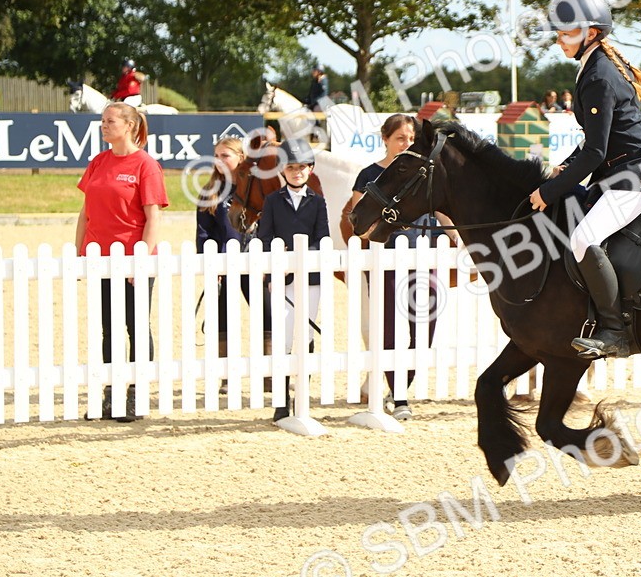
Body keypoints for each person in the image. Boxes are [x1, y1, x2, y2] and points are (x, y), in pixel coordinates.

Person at [529, 0, 641, 359]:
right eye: (557, 33)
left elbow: (597, 152)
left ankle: (614, 330)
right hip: (626, 165)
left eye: (566, 33)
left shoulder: (600, 74)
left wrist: (550, 191)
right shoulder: (595, 64)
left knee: (584, 240)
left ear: (590, 32)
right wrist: (567, 166)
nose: (559, 40)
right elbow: (595, 141)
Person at [345, 114, 456, 420]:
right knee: (391, 331)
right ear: (385, 139)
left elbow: (441, 209)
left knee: (425, 329)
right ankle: (400, 398)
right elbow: (359, 222)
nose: (406, 143)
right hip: (387, 261)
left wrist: (454, 234)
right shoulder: (369, 174)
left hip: (425, 257)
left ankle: (398, 390)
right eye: (400, 138)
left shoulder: (422, 171)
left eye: (410, 138)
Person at [75, 103, 169, 421]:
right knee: (109, 330)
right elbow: (84, 212)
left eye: (110, 121)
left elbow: (153, 216)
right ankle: (111, 395)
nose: (103, 125)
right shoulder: (98, 162)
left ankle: (135, 396)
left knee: (136, 327)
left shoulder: (145, 165)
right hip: (100, 259)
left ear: (129, 126)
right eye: (102, 121)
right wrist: (79, 253)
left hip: (133, 260)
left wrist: (140, 259)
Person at [256, 137, 330, 421]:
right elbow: (265, 238)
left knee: (306, 336)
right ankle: (280, 400)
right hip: (281, 280)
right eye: (291, 168)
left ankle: (302, 397)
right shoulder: (273, 201)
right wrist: (278, 264)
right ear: (282, 171)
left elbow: (322, 238)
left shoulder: (318, 202)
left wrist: (297, 259)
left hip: (309, 277)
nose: (297, 172)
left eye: (302, 167)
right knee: (283, 338)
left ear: (310, 169)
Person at [195, 136, 273, 394]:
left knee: (266, 315)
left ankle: (269, 374)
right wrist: (211, 265)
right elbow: (203, 233)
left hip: (253, 261)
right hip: (224, 264)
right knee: (224, 318)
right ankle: (227, 375)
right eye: (216, 155)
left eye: (225, 156)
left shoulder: (256, 189)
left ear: (241, 158)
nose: (219, 161)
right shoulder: (210, 192)